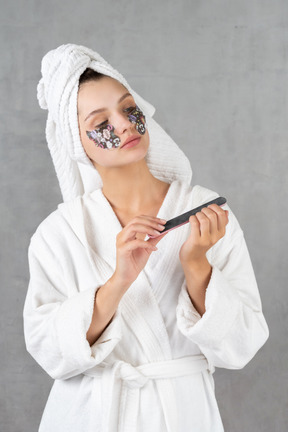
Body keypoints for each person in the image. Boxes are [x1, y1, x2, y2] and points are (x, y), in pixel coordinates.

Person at [23, 44, 269, 432]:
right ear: (77, 142)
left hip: (183, 414)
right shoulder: (59, 233)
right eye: (100, 122)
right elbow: (50, 352)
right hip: (90, 414)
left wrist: (196, 265)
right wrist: (119, 280)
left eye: (127, 108)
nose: (121, 125)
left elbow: (241, 346)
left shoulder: (205, 212)